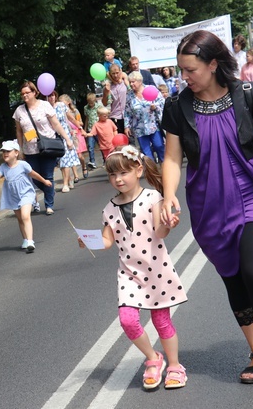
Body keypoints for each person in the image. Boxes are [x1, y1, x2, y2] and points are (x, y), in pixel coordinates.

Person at [161, 30, 253, 395]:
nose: (184, 77)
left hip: (252, 193)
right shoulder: (177, 107)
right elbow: (173, 157)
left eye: (190, 69)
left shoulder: (250, 94)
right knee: (234, 277)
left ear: (212, 63)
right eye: (181, 70)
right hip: (208, 203)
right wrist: (168, 195)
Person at [78, 145, 187, 389]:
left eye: (123, 173)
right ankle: (152, 358)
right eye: (112, 175)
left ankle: (174, 366)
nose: (118, 179)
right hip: (129, 274)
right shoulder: (109, 208)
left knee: (162, 322)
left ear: (138, 170)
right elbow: (108, 241)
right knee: (127, 321)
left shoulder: (152, 198)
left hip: (156, 271)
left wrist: (169, 225)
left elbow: (160, 231)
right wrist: (88, 240)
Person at [0, 140, 51, 253]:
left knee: (25, 216)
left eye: (8, 151)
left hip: (26, 193)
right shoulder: (3, 167)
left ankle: (30, 241)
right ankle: (25, 239)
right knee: (20, 219)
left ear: (16, 153)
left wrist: (44, 181)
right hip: (13, 196)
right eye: (4, 151)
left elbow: (34, 174)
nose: (5, 153)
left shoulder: (23, 165)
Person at [13, 81, 73, 216]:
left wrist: (67, 139)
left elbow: (56, 124)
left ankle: (49, 205)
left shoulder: (45, 106)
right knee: (34, 177)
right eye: (22, 94)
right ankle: (50, 191)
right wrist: (20, 149)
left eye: (27, 93)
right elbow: (18, 131)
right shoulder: (19, 111)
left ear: (35, 92)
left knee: (47, 175)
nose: (24, 96)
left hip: (47, 146)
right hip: (30, 149)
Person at [125, 71, 166, 163]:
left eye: (133, 82)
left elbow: (162, 102)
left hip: (153, 125)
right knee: (146, 153)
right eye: (130, 82)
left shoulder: (150, 89)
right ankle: (153, 172)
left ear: (140, 81)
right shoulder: (129, 95)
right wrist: (127, 126)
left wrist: (155, 106)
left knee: (159, 146)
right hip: (139, 128)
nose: (131, 84)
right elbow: (127, 112)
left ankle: (164, 167)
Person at [47, 91, 80, 193]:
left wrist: (78, 127)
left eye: (53, 95)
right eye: (49, 96)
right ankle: (68, 178)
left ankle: (65, 183)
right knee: (61, 160)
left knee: (65, 158)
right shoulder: (44, 108)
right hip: (53, 136)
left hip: (64, 134)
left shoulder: (61, 105)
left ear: (55, 96)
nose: (51, 97)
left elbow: (68, 118)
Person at [102, 64, 129, 134]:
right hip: (115, 117)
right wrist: (106, 93)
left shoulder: (125, 82)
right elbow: (104, 103)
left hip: (128, 116)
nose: (115, 75)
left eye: (117, 73)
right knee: (119, 141)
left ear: (120, 71)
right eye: (113, 73)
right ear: (110, 74)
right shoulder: (108, 86)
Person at [82, 92, 101, 170]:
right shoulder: (86, 108)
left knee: (102, 145)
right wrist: (85, 129)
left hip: (98, 129)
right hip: (90, 130)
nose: (90, 104)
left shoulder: (98, 107)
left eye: (92, 103)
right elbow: (87, 118)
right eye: (89, 103)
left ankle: (105, 159)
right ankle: (92, 162)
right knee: (90, 146)